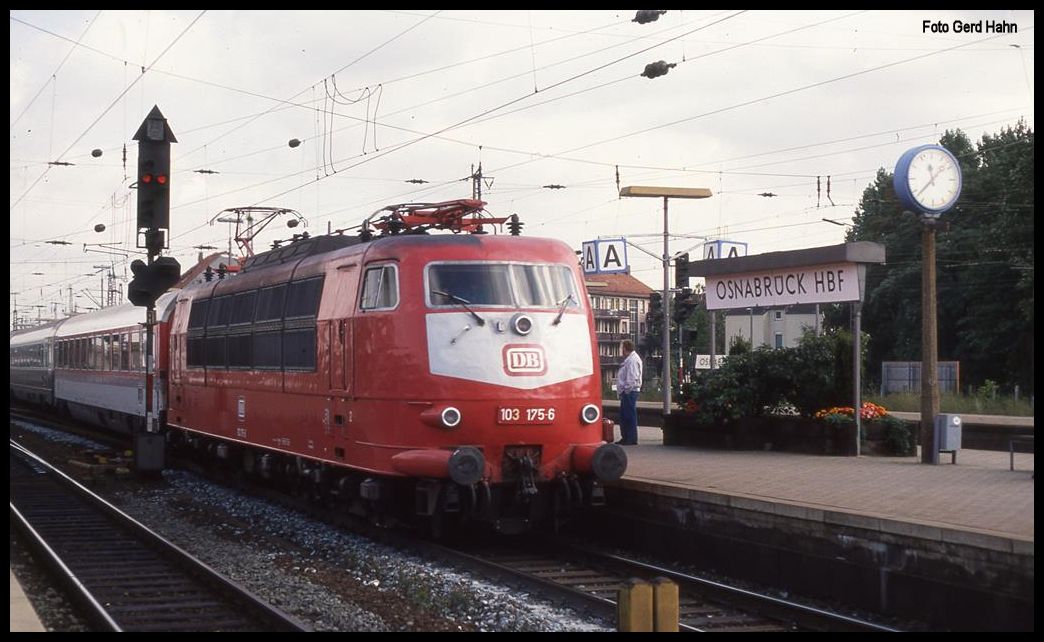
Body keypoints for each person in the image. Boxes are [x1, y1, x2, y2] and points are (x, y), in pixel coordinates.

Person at [615, 339, 643, 445]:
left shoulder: (632, 360)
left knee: (629, 415)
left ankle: (630, 438)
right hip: (628, 391)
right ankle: (626, 437)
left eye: (622, 348)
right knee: (625, 415)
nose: (621, 351)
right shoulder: (629, 360)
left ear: (625, 348)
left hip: (630, 392)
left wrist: (626, 390)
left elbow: (632, 377)